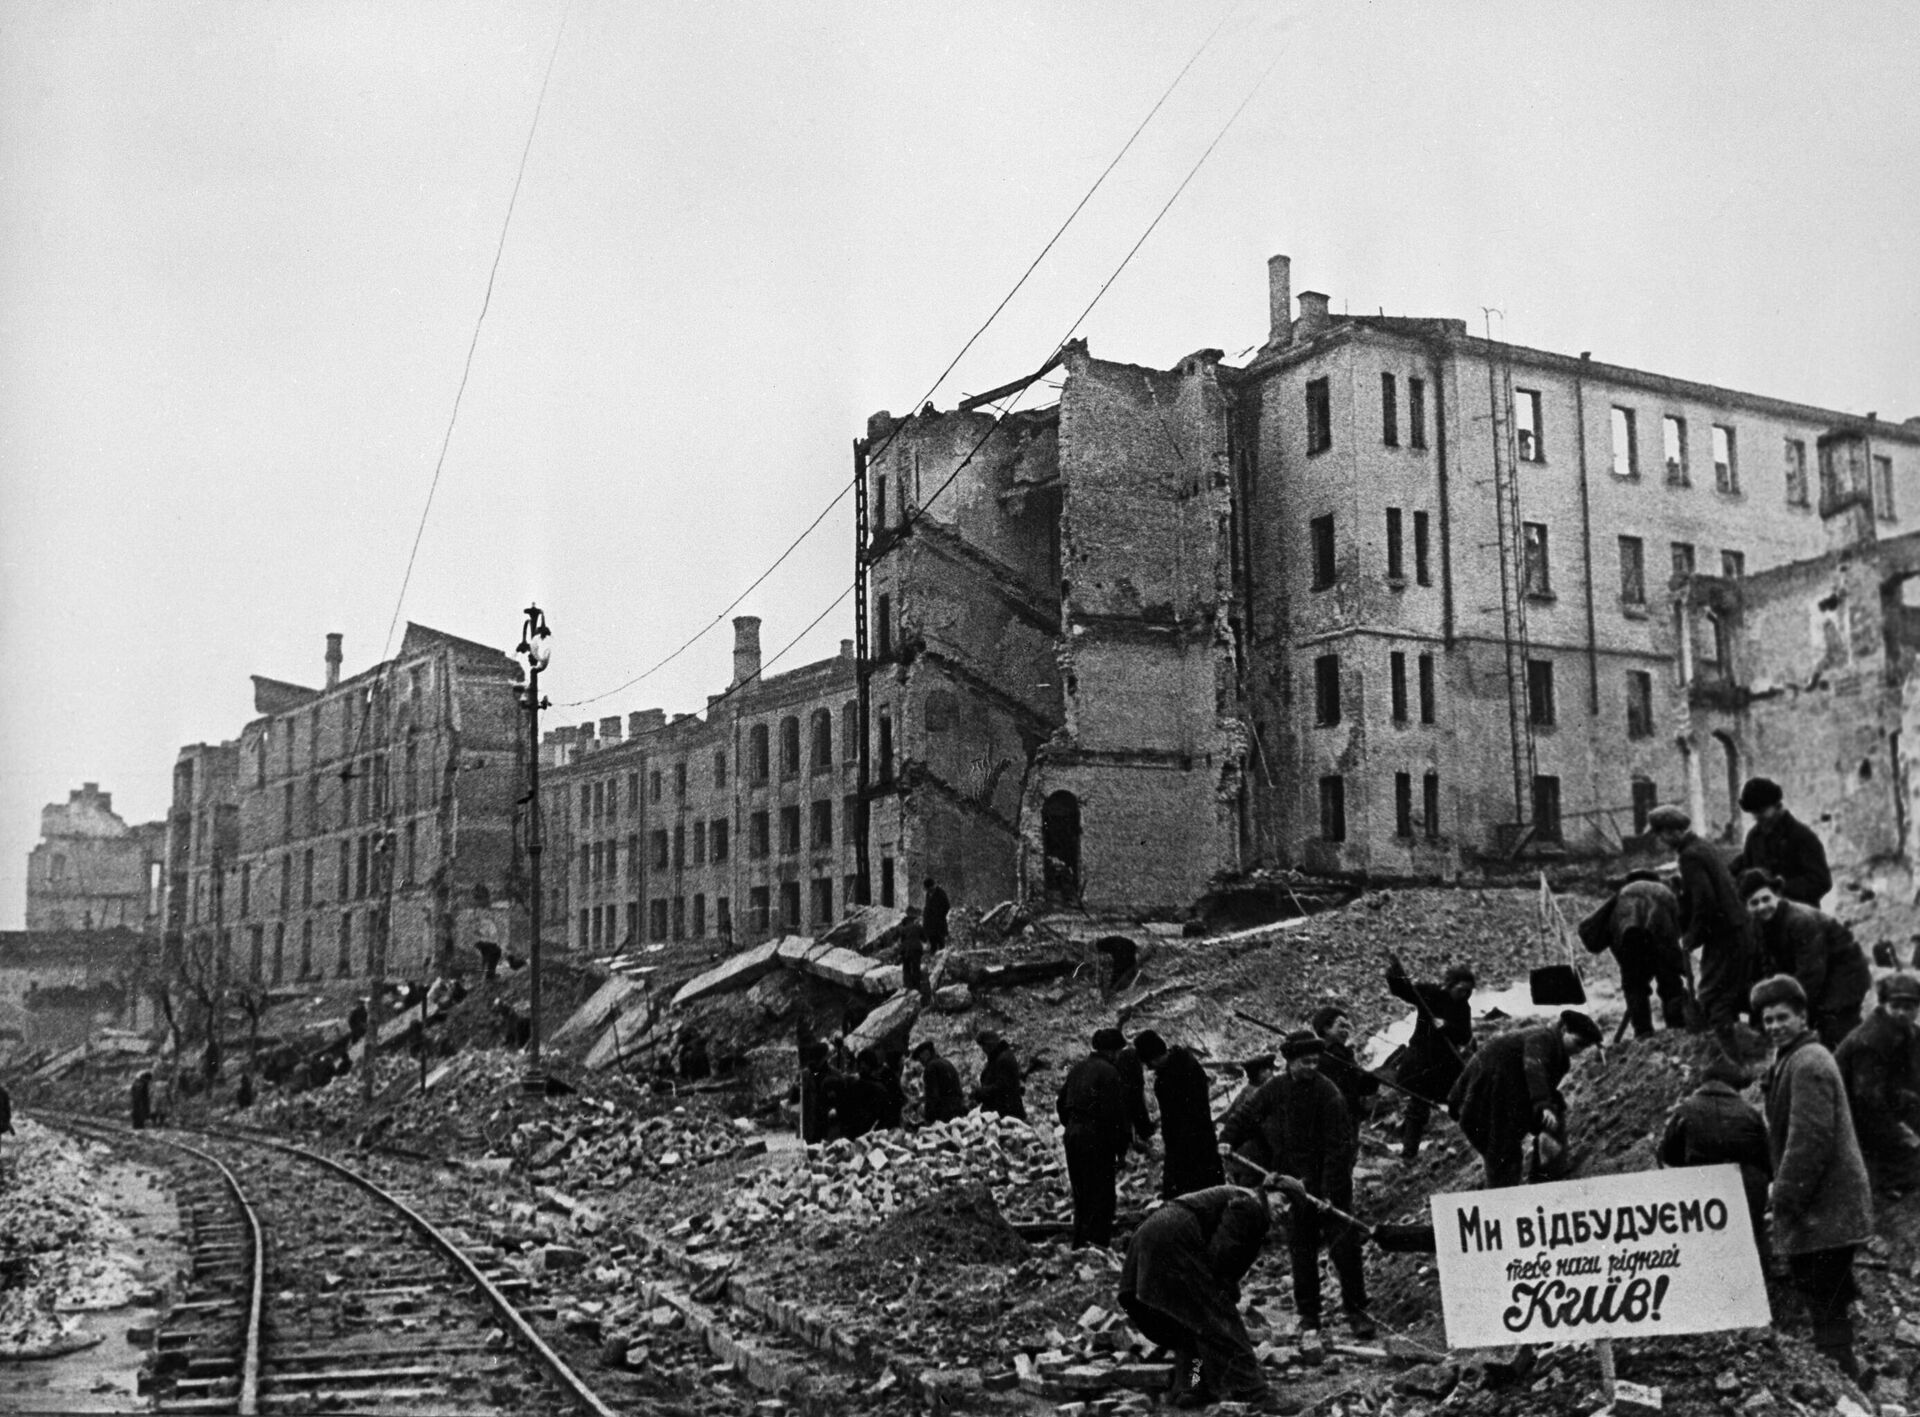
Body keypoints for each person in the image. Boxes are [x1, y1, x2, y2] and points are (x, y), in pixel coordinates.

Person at [1753, 973, 1873, 1380]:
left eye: (1782, 1017)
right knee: (1827, 1298)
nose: (1773, 1027)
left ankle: (1844, 1380)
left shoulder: (1808, 1061)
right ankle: (1849, 1375)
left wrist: (1783, 1198)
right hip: (1824, 1209)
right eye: (1767, 1020)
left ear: (1802, 1016)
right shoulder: (1794, 1057)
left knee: (1825, 1299)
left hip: (1825, 1209)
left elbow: (1809, 1142)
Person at [1218, 1031, 1372, 1338]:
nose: (1312, 1066)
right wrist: (1227, 1139)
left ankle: (1357, 1312)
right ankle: (1309, 1315)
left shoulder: (1328, 1093)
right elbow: (1247, 1115)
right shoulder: (1274, 1089)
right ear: (1289, 1062)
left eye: (1316, 1061)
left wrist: (1329, 1192)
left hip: (1331, 1180)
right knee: (1301, 1249)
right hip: (1293, 1183)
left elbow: (1339, 1148)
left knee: (1344, 1249)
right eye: (1305, 1062)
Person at [1119, 1185, 1273, 1409]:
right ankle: (1255, 1394)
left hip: (1150, 1235)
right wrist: (1224, 1296)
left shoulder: (1242, 1199)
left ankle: (1191, 1386)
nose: (1285, 1210)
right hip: (1175, 1237)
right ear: (1268, 1192)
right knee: (1218, 1319)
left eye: (1292, 1208)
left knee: (1189, 1323)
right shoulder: (1250, 1204)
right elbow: (1221, 1256)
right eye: (1282, 1200)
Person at [1448, 1011, 1603, 1189]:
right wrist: (1542, 1104)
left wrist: (1547, 1108)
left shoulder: (1556, 1053)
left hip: (1505, 1100)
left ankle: (1545, 1182)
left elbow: (1538, 1081)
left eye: (1584, 1047)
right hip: (1487, 1104)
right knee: (1504, 1162)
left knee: (1554, 1115)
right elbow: (1533, 1066)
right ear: (1564, 1029)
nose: (1579, 1050)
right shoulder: (1542, 1038)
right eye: (1578, 1043)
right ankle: (1501, 1208)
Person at [1650, 805, 1756, 1040]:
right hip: (1737, 930)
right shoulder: (1703, 846)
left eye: (1660, 834)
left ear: (1671, 832)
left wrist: (1692, 937)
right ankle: (1740, 1045)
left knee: (1712, 996)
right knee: (1731, 994)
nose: (1660, 841)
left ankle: (1725, 1054)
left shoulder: (1690, 856)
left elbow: (1705, 901)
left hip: (1725, 936)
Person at [1656, 1056, 1771, 1262]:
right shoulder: (1750, 1112)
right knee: (1751, 1242)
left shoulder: (1685, 1110)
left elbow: (1668, 1156)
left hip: (1704, 1192)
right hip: (1747, 1190)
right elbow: (1767, 1160)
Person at [1739, 870, 1869, 1049]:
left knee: (1835, 1028)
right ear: (1746, 906)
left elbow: (1811, 973)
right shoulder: (1760, 924)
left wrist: (1793, 1008)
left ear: (1776, 896)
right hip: (1820, 971)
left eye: (1766, 899)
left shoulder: (1800, 921)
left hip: (1845, 973)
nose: (1762, 906)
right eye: (1754, 903)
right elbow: (1768, 965)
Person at [1834, 971, 1920, 1194]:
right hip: (1853, 1118)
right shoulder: (1871, 1041)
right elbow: (1868, 1103)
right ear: (1883, 1005)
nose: (1902, 1013)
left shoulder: (1909, 1033)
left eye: (1909, 1007)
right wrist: (1903, 1135)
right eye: (1896, 1005)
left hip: (1888, 1104)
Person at [1577, 874, 1694, 1037]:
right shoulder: (1665, 893)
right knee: (1670, 983)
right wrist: (1680, 968)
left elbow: (1612, 931)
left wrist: (1631, 967)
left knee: (1634, 986)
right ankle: (1675, 1029)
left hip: (1628, 937)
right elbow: (1671, 938)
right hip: (1657, 932)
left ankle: (1643, 1032)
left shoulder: (1624, 892)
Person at [1385, 952, 1475, 1160]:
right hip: (1422, 1059)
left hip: (1446, 1063)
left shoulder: (1464, 1008)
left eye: (1469, 992)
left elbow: (1465, 1035)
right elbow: (1403, 990)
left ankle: (1468, 1141)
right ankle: (1409, 1153)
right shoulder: (1431, 994)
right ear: (1450, 985)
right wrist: (1395, 972)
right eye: (1461, 990)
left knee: (1459, 1100)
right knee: (1417, 1106)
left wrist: (1448, 1027)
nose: (1464, 995)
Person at [1057, 1031, 1131, 1248]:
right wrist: (1121, 1149)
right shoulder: (1110, 1073)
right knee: (1101, 1195)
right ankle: (1097, 1247)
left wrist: (1073, 1125)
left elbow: (1061, 1103)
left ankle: (1079, 1245)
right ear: (1112, 1051)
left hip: (1073, 1134)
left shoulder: (1078, 1069)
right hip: (1096, 1137)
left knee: (1081, 1194)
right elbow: (1116, 1114)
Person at [1134, 1029, 1224, 1199]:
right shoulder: (1188, 1062)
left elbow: (1177, 1118)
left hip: (1186, 1145)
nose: (1149, 1067)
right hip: (1201, 1139)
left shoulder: (1170, 1078)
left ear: (1153, 1057)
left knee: (1189, 1194)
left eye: (1148, 1062)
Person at [1732, 777, 1833, 909]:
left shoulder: (1801, 836)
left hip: (1798, 916)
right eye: (1753, 813)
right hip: (1764, 915)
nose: (1756, 817)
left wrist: (1782, 887)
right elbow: (1746, 867)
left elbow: (1821, 881)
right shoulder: (1754, 837)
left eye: (1761, 811)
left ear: (1777, 806)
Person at [1311, 1004, 1380, 1142]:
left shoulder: (1342, 1054)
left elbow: (1359, 1085)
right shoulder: (1324, 1056)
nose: (1345, 1031)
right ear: (1326, 1028)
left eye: (1347, 1027)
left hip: (1346, 1118)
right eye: (1341, 1026)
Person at [1113, 1030, 1157, 1159]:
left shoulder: (1124, 1055)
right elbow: (1136, 1092)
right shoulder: (1131, 1056)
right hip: (1130, 1091)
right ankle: (1141, 1136)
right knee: (1136, 1107)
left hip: (1124, 1092)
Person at [973, 1032, 1027, 1121]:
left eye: (983, 1046)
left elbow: (1002, 1087)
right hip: (1005, 1112)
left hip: (1005, 1114)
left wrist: (981, 1093)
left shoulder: (1003, 1059)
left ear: (989, 1045)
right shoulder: (1000, 1057)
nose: (983, 1050)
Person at [913, 1039, 966, 1125]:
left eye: (920, 1057)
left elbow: (933, 1096)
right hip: (958, 1109)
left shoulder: (931, 1067)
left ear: (926, 1053)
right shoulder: (946, 1062)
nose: (920, 1061)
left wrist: (928, 1117)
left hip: (944, 1115)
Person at [897, 915, 930, 1002]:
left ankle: (908, 988)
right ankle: (917, 988)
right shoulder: (918, 927)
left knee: (906, 968)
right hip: (916, 949)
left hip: (905, 950)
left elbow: (902, 941)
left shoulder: (903, 929)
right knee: (916, 968)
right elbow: (924, 939)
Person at [922, 877, 951, 952]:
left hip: (939, 924)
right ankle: (933, 959)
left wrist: (938, 915)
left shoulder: (941, 893)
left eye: (928, 888)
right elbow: (927, 906)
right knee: (932, 944)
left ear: (931, 886)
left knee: (941, 943)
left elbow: (947, 907)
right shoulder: (928, 894)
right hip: (930, 924)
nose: (927, 890)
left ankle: (941, 960)